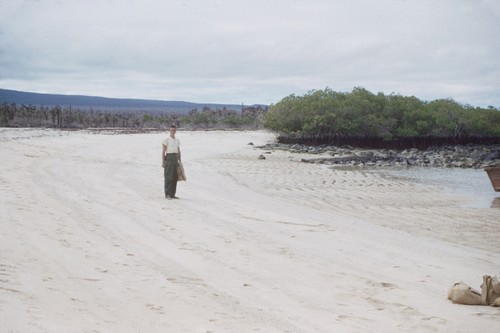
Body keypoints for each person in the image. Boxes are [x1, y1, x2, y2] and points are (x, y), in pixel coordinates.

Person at [162, 125, 181, 199]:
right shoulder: (166, 139)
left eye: (174, 130)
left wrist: (180, 161)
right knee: (168, 177)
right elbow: (163, 151)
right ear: (169, 131)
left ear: (175, 131)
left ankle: (173, 194)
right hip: (169, 158)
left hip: (175, 158)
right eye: (171, 130)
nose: (173, 132)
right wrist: (163, 161)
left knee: (174, 177)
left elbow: (178, 150)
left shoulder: (177, 140)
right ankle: (167, 194)